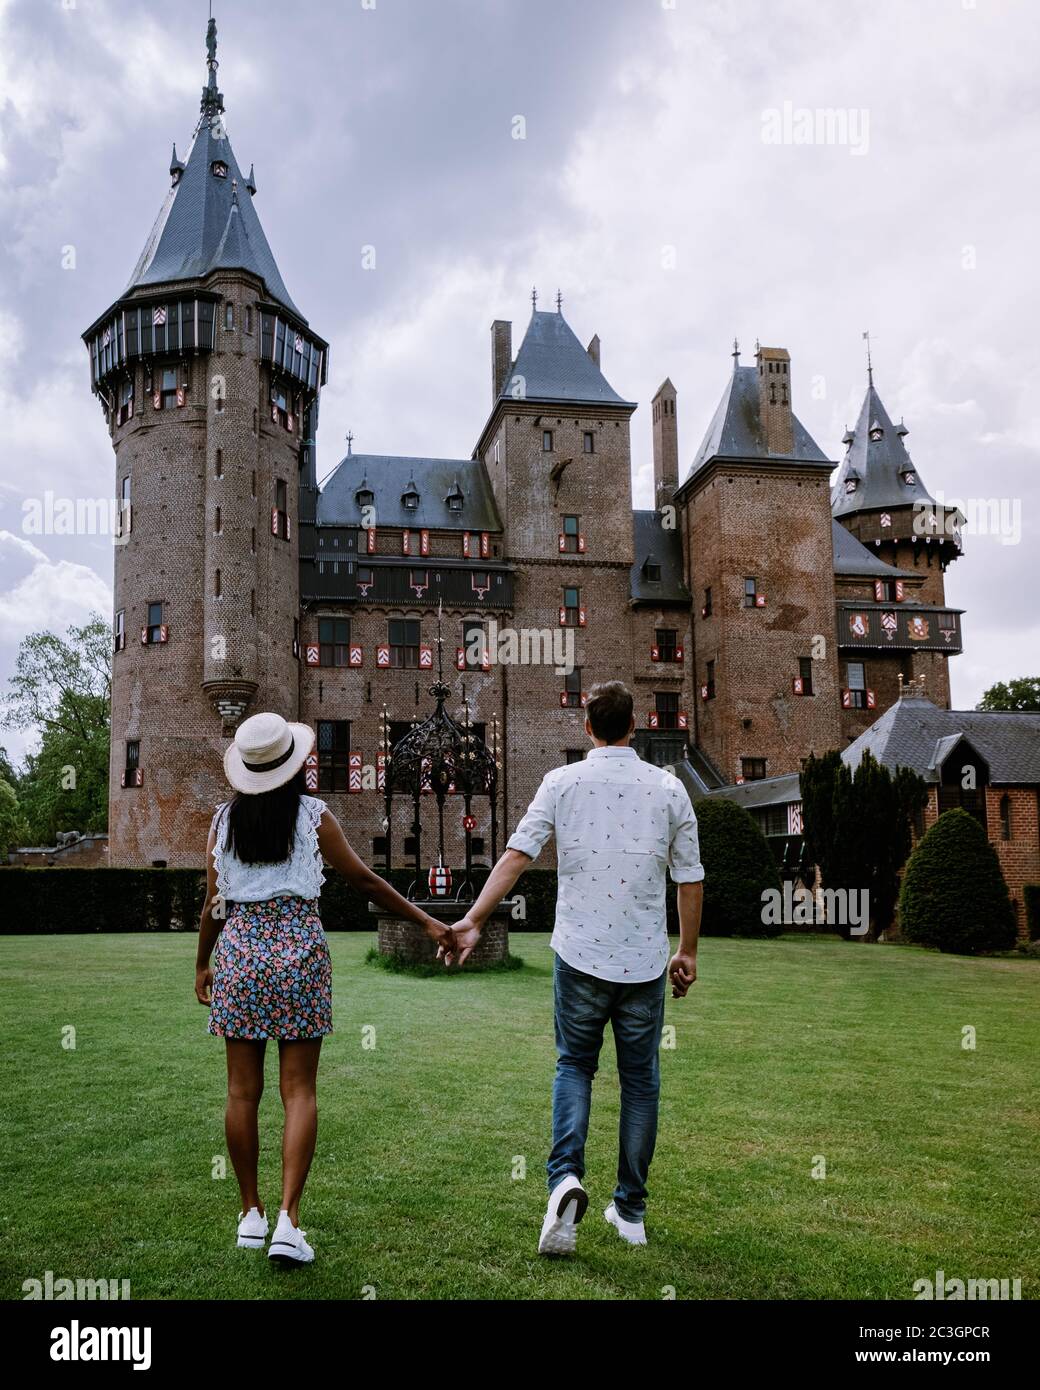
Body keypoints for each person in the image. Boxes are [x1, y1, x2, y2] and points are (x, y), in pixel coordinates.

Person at [442, 681, 703, 1255]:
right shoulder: (668, 788)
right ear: (633, 727)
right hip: (642, 961)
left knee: (574, 1067)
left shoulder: (562, 783)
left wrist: (474, 918)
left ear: (588, 728)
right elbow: (689, 875)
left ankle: (564, 1180)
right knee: (641, 1086)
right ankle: (630, 1211)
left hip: (580, 955)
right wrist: (686, 951)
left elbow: (516, 855)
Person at [195, 712, 453, 1264]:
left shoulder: (222, 823)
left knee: (241, 1093)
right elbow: (365, 879)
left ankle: (249, 1214)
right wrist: (428, 922)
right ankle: (289, 1221)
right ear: (294, 764)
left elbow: (213, 904)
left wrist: (203, 964)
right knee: (299, 1093)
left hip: (239, 955)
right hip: (300, 956)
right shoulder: (315, 818)